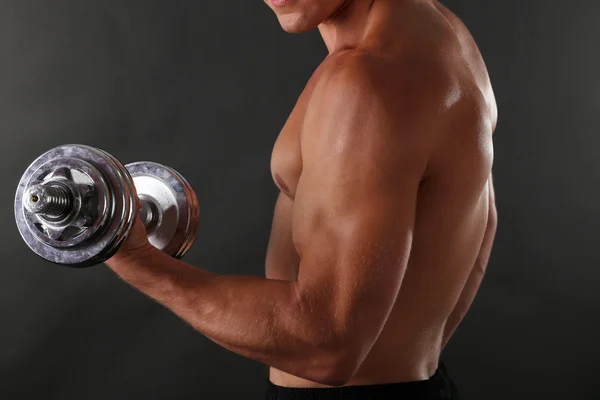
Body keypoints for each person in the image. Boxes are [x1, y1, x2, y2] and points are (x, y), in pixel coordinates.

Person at [105, 0, 498, 398]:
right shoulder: (444, 39)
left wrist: (138, 262)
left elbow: (325, 346)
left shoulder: (366, 81)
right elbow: (479, 228)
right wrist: (408, 352)